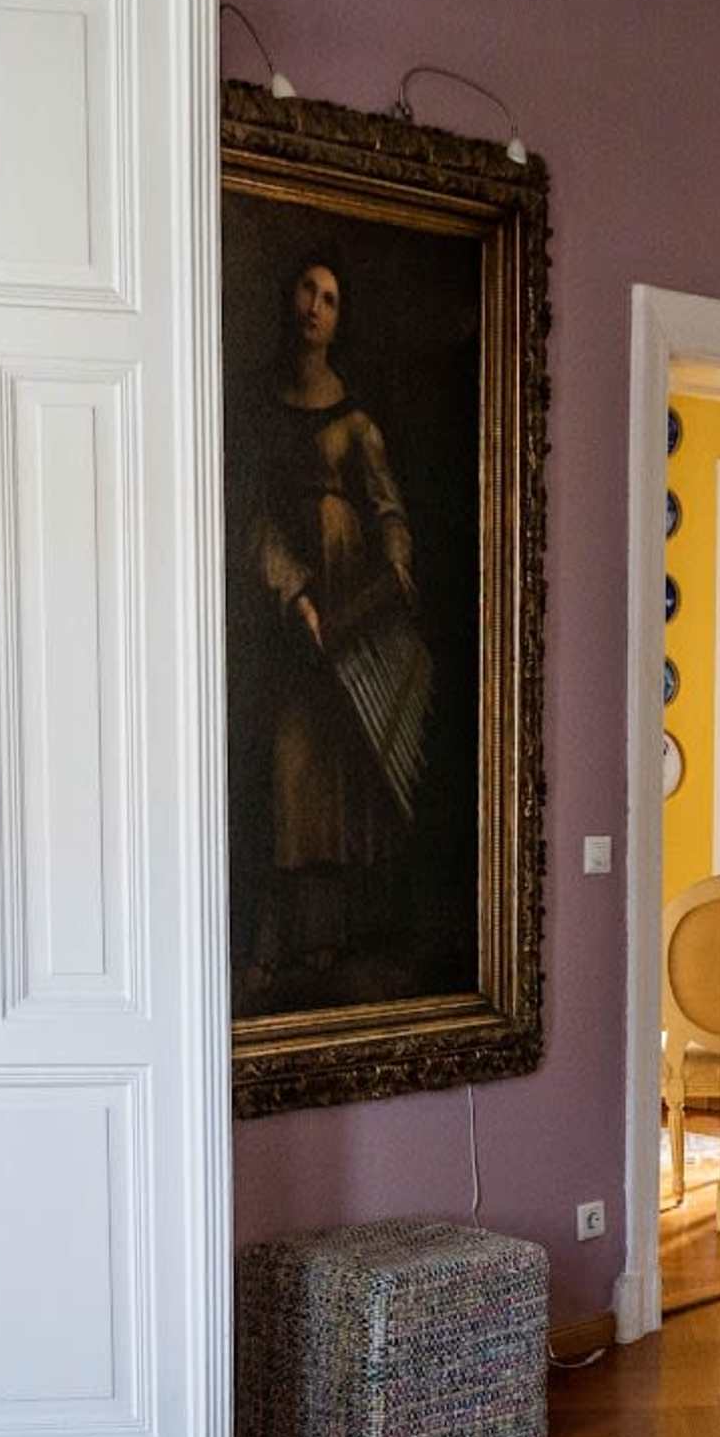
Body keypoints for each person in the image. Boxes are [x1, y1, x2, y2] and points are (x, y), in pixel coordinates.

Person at [235, 251, 433, 1001]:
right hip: (298, 614)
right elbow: (250, 522)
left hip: (357, 613)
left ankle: (334, 940)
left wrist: (391, 578)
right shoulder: (258, 410)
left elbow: (388, 515)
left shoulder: (356, 421)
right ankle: (278, 940)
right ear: (288, 299)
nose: (316, 306)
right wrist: (298, 595)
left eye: (331, 297)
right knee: (292, 769)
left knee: (345, 778)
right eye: (307, 290)